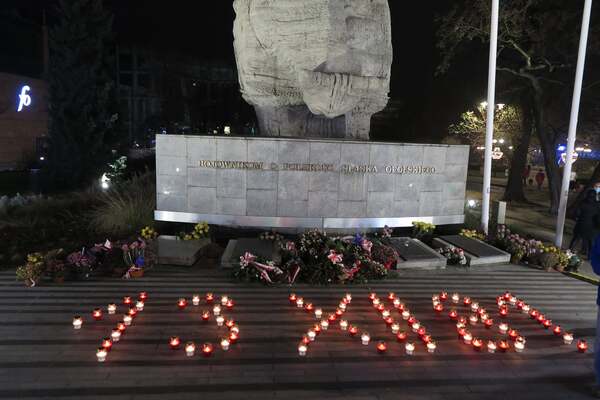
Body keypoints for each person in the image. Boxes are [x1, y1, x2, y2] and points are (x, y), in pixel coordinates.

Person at [570, 188, 600, 258]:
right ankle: (589, 256)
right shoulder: (597, 205)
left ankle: (569, 252)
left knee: (575, 239)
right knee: (590, 242)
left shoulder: (582, 203)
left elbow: (577, 213)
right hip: (592, 227)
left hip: (581, 225)